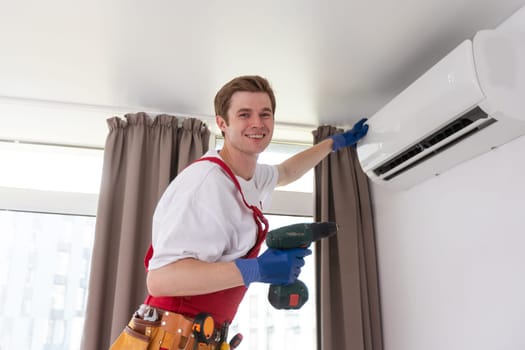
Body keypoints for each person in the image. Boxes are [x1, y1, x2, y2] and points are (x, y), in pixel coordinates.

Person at [110, 75, 368, 350]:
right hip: (168, 339)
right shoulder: (205, 184)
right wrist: (255, 269)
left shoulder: (250, 176)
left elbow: (285, 172)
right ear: (222, 123)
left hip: (201, 339)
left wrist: (332, 144)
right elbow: (160, 281)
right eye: (245, 114)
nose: (258, 123)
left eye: (265, 114)